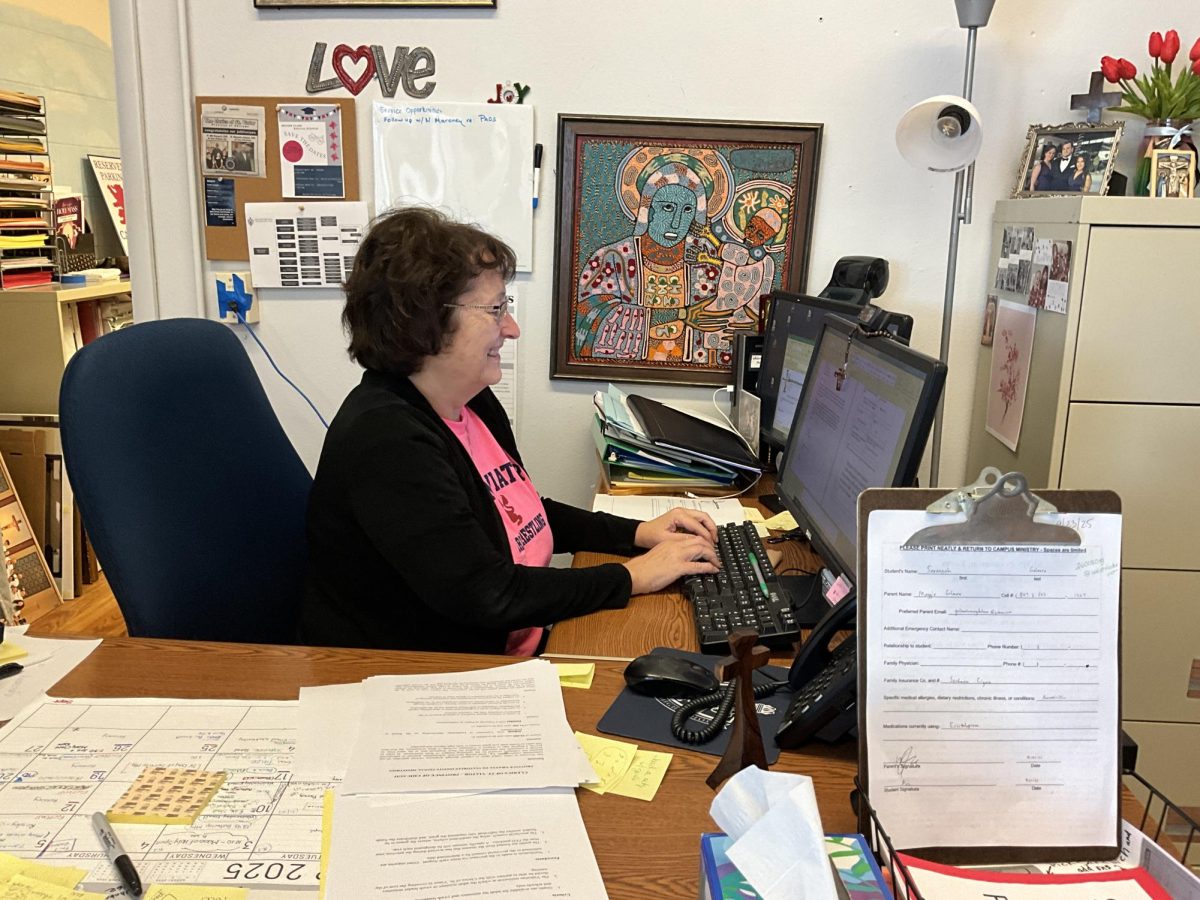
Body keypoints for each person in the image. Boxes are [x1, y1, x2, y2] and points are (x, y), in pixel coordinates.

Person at [301, 207, 721, 655]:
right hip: (414, 675)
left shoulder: (470, 400)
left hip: (507, 638)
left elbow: (520, 517)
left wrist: (639, 534)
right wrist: (634, 576)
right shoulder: (385, 439)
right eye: (496, 309)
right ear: (423, 320)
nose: (512, 328)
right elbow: (487, 592)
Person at [574, 159, 721, 365]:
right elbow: (588, 314)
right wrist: (678, 314)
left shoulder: (704, 260)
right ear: (647, 209)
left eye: (688, 210)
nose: (676, 223)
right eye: (668, 207)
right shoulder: (613, 258)